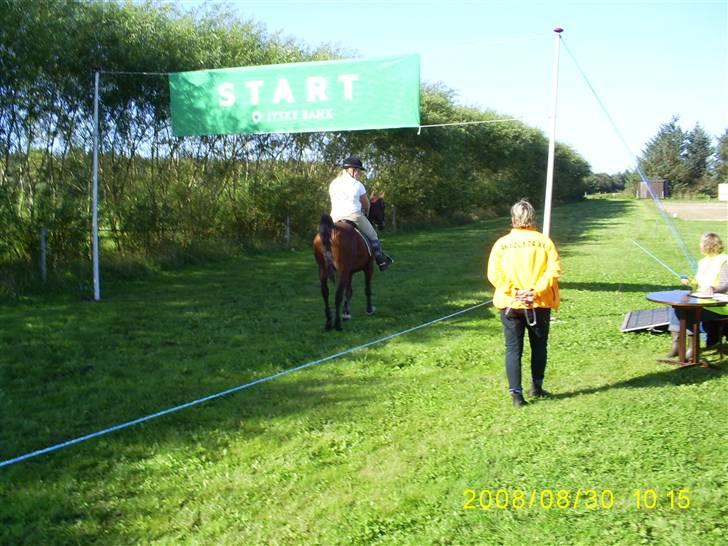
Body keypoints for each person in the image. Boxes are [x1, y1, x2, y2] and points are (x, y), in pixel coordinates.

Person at [487, 199, 561, 407]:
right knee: (539, 347)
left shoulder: (501, 244)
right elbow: (553, 271)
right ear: (532, 219)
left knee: (513, 349)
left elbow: (494, 273)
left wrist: (515, 292)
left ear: (512, 219)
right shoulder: (544, 242)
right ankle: (536, 387)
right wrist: (534, 291)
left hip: (511, 304)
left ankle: (517, 396)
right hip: (539, 302)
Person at [667, 232, 728, 358]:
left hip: (719, 305)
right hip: (700, 301)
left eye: (701, 243)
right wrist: (690, 282)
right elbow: (698, 284)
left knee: (689, 313)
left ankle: (693, 348)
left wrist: (713, 289)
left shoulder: (724, 260)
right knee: (676, 307)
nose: (700, 245)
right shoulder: (703, 262)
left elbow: (725, 284)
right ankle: (676, 346)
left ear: (708, 245)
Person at [329, 156, 393, 271]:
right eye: (359, 171)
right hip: (354, 215)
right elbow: (366, 204)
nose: (360, 174)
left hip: (334, 217)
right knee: (373, 235)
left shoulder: (333, 183)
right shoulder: (358, 185)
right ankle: (381, 260)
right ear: (352, 170)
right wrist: (366, 212)